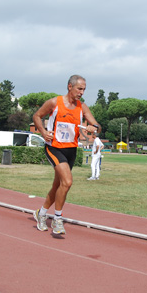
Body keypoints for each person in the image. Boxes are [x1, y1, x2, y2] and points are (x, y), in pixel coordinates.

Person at [32, 75, 101, 235]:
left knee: (59, 186)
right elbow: (37, 116)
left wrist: (94, 128)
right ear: (70, 87)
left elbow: (96, 125)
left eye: (84, 89)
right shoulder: (54, 103)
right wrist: (43, 132)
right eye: (79, 89)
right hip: (54, 148)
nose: (82, 92)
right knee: (68, 182)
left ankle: (40, 214)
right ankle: (57, 219)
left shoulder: (82, 107)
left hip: (71, 150)